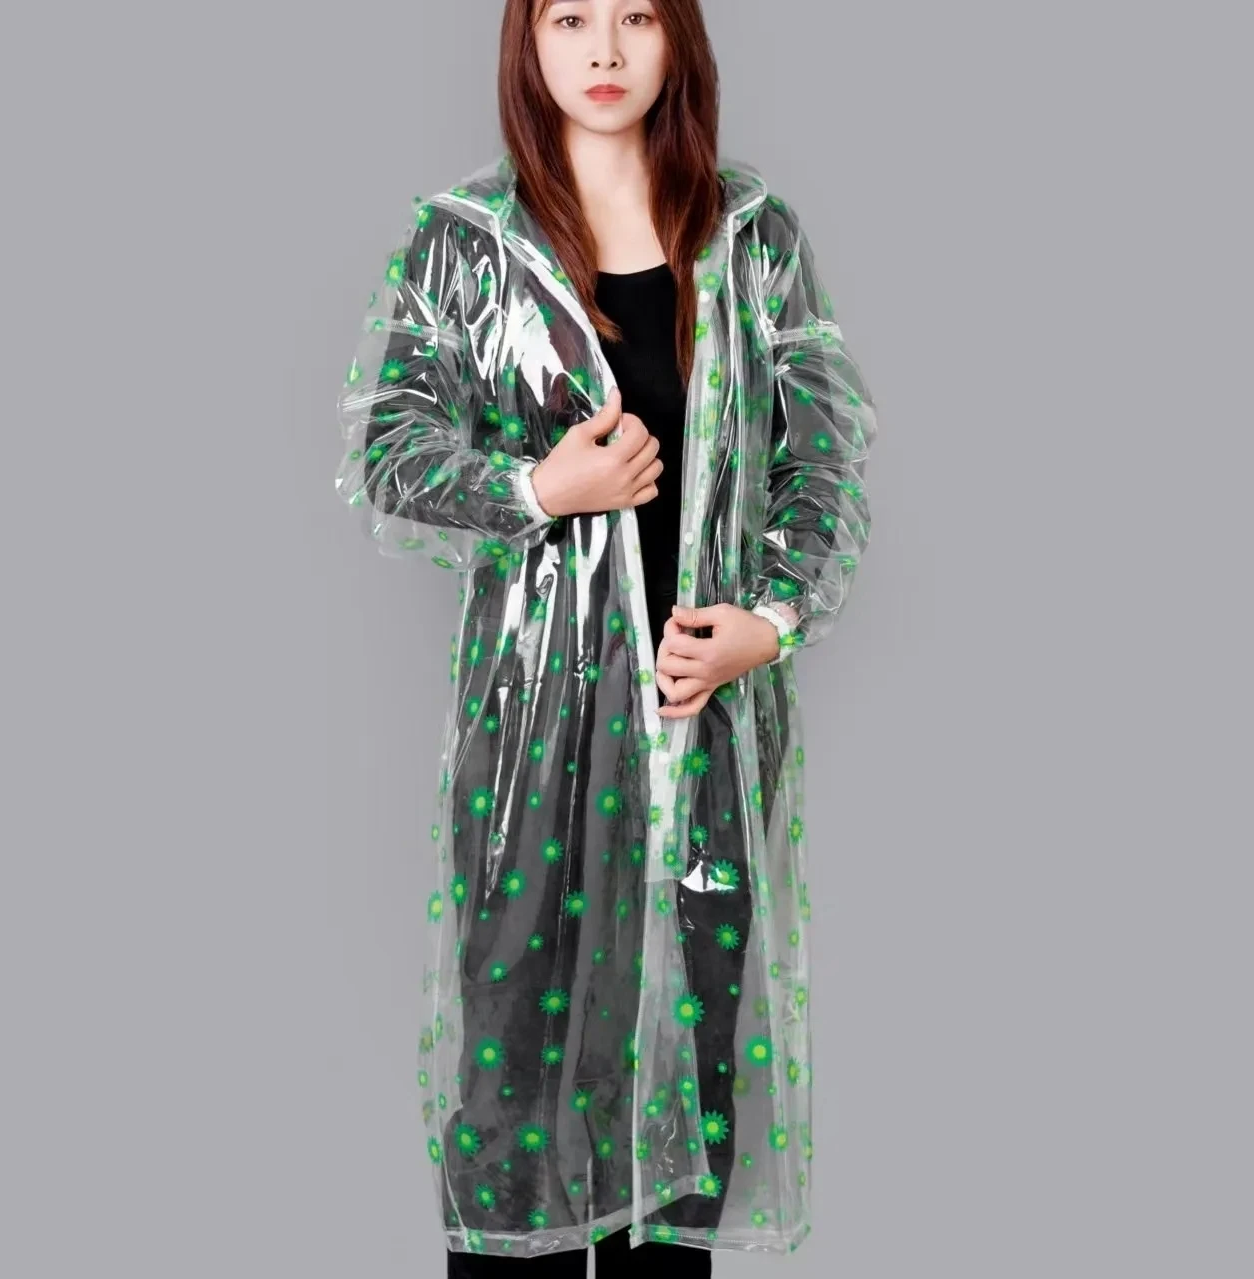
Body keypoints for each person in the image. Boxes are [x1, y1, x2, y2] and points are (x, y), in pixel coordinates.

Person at [333, 0, 878, 1272]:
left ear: (678, 37)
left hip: (704, 726)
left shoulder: (748, 235)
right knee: (516, 1079)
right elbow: (390, 447)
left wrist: (767, 624)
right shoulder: (469, 242)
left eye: (636, 14)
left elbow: (824, 463)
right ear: (527, 41)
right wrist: (540, 488)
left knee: (686, 1084)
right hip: (535, 741)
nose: (604, 51)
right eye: (569, 16)